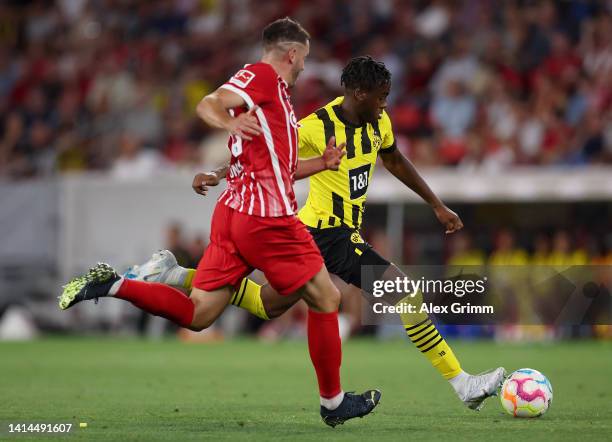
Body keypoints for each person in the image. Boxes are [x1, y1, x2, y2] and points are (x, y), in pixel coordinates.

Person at [130, 56, 505, 411]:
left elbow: (392, 158)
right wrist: (216, 173)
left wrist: (436, 204)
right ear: (360, 93)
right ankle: (463, 384)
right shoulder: (314, 127)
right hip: (328, 233)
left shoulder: (379, 124)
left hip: (317, 235)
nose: (385, 104)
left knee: (268, 305)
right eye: (382, 97)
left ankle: (177, 275)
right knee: (404, 292)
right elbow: (267, 156)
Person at [59, 18, 380, 427]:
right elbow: (209, 102)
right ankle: (333, 403)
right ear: (292, 53)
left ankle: (114, 285)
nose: (304, 68)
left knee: (200, 314)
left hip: (234, 215)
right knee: (327, 299)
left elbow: (277, 167)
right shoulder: (262, 77)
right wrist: (228, 121)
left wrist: (322, 163)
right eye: (304, 59)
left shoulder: (276, 98)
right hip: (267, 221)